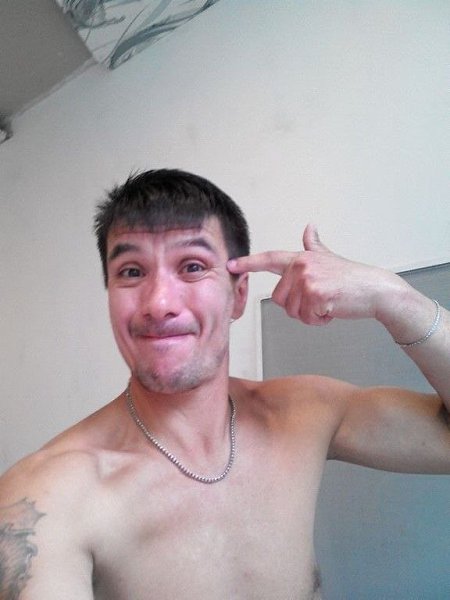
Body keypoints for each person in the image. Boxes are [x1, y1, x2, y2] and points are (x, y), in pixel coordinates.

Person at [0, 169, 449, 600]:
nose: (158, 303)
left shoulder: (305, 414)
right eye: (132, 272)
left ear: (238, 295)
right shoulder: (46, 499)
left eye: (192, 266)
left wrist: (394, 297)